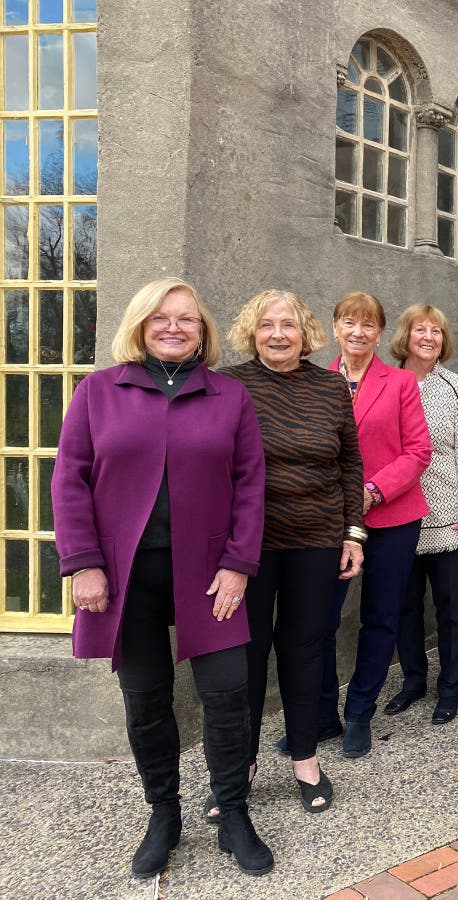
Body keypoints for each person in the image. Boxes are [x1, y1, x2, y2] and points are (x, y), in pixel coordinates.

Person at [51, 278, 273, 877]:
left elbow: (250, 485)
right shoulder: (99, 391)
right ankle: (164, 813)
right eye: (161, 318)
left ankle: (232, 812)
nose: (174, 327)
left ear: (203, 331)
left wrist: (238, 564)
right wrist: (84, 563)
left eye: (187, 319)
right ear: (140, 325)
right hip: (127, 577)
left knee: (227, 695)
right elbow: (69, 479)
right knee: (146, 698)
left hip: (210, 574)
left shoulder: (229, 396)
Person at [222, 290, 365, 817]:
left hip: (316, 540)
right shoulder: (229, 386)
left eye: (288, 325)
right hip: (248, 546)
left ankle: (305, 759)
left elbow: (350, 464)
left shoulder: (331, 387)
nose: (278, 334)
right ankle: (241, 765)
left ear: (305, 333)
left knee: (304, 650)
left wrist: (353, 534)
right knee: (247, 653)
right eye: (267, 325)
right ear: (252, 332)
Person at [318, 292, 431, 757]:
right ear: (335, 327)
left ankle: (359, 712)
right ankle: (322, 715)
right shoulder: (316, 382)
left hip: (391, 516)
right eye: (349, 322)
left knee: (381, 617)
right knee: (320, 621)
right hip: (329, 520)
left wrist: (373, 490)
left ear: (380, 334)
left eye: (368, 325)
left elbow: (418, 451)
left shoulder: (400, 382)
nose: (358, 332)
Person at [387, 303, 458, 725]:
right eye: (420, 330)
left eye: (436, 331)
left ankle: (451, 685)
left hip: (449, 513)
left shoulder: (457, 387)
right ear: (405, 336)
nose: (428, 337)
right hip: (397, 514)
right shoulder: (386, 382)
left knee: (452, 608)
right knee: (403, 606)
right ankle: (413, 681)